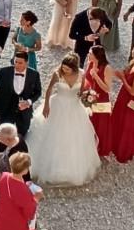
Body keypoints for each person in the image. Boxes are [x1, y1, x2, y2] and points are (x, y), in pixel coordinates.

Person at [25, 54, 100, 186]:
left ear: (74, 68)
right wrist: (46, 105)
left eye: (67, 69)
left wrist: (87, 97)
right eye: (63, 67)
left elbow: (81, 90)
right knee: (53, 135)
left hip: (74, 107)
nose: (64, 70)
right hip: (57, 105)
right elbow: (49, 89)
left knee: (73, 137)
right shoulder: (57, 73)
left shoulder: (81, 74)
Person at [0, 49, 42, 139]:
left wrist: (28, 102)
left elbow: (38, 92)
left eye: (20, 63)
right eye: (15, 62)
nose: (17, 65)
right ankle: (2, 147)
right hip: (6, 110)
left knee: (22, 136)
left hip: (24, 113)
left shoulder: (34, 74)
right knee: (3, 135)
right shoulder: (4, 72)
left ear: (26, 63)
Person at [83, 45, 117, 158]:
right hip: (90, 97)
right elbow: (86, 79)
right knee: (89, 123)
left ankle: (99, 149)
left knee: (100, 125)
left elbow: (107, 89)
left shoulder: (107, 68)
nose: (88, 55)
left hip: (102, 100)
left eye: (90, 53)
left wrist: (96, 77)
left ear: (97, 56)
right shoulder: (90, 63)